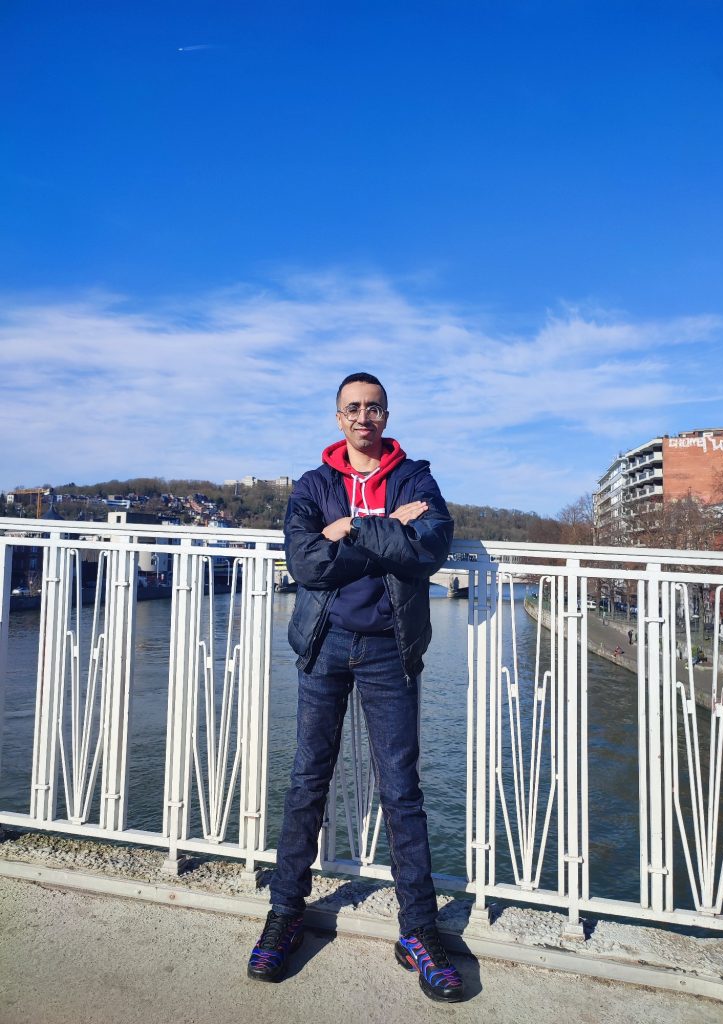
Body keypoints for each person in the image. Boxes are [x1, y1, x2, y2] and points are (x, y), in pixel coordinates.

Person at [247, 372, 463, 1003]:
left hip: (389, 647)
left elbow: (430, 549)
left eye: (373, 408)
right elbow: (306, 563)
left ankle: (418, 932)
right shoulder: (314, 484)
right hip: (325, 645)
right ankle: (285, 912)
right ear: (338, 417)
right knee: (307, 777)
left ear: (386, 414)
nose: (363, 418)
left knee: (402, 788)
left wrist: (349, 530)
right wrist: (384, 528)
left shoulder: (417, 478)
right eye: (352, 409)